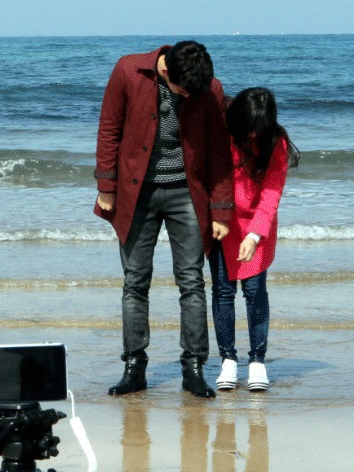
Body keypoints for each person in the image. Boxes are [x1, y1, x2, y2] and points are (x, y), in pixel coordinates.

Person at [94, 41, 234, 398]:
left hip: (188, 193)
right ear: (166, 71)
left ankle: (193, 368)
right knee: (135, 282)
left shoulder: (208, 88)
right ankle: (134, 367)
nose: (189, 96)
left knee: (191, 281)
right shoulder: (128, 71)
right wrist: (106, 186)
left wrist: (221, 209)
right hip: (136, 192)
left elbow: (219, 150)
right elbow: (109, 129)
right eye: (183, 90)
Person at [208, 87, 300, 391]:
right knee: (223, 291)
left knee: (255, 290)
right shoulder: (224, 134)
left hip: (257, 224)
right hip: (222, 218)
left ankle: (258, 361)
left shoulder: (276, 143)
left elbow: (271, 192)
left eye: (258, 129)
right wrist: (217, 216)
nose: (252, 135)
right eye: (249, 128)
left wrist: (255, 234)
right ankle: (228, 360)